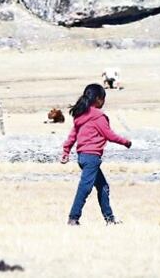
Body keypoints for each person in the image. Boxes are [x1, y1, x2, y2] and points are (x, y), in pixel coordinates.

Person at [61, 83, 132, 226]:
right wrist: (126, 142)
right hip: (91, 157)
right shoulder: (99, 116)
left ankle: (110, 219)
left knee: (103, 186)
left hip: (82, 157)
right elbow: (109, 135)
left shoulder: (80, 115)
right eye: (104, 99)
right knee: (85, 188)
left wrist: (66, 151)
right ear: (99, 99)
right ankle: (73, 218)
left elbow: (72, 135)